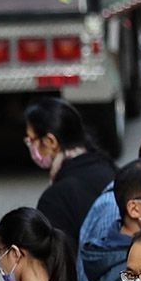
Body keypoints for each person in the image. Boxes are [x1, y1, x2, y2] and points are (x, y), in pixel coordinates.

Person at [24, 99, 116, 248]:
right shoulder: (109, 168)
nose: (29, 144)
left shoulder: (55, 198)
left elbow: (58, 261)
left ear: (50, 141)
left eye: (31, 139)